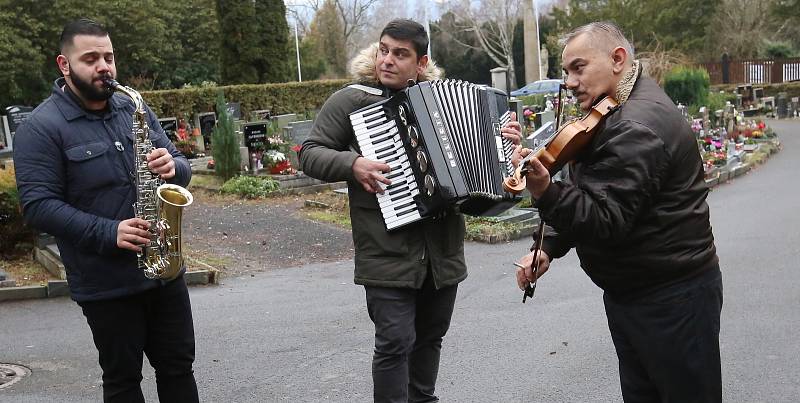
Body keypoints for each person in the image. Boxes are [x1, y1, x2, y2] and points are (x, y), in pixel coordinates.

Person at [300, 19, 521, 403]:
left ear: (421, 62)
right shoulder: (352, 100)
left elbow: (489, 188)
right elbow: (310, 152)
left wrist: (504, 150)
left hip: (442, 255)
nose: (387, 60)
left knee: (430, 338)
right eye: (383, 49)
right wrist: (353, 164)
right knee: (394, 343)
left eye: (400, 54)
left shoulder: (444, 98)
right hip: (386, 252)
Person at [513, 22, 723, 403]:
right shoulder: (612, 109)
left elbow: (605, 220)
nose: (571, 81)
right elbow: (594, 187)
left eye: (579, 67)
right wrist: (549, 245)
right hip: (639, 291)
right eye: (566, 71)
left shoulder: (637, 126)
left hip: (670, 298)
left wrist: (545, 190)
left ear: (618, 59)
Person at [14, 18, 199, 403]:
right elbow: (38, 206)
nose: (105, 66)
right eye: (91, 58)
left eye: (109, 56)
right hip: (106, 283)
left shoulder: (132, 105)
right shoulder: (40, 128)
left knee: (179, 369)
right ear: (64, 65)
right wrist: (108, 231)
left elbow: (180, 167)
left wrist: (173, 167)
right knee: (123, 381)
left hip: (164, 271)